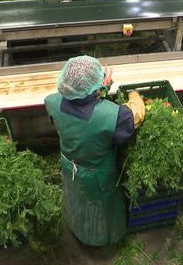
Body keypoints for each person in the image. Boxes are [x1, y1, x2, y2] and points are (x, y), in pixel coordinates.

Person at [44, 55, 145, 246]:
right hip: (97, 177)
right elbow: (135, 115)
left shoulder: (51, 102)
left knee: (76, 199)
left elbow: (79, 104)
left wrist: (101, 88)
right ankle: (102, 239)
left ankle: (75, 226)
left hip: (69, 166)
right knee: (100, 209)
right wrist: (134, 94)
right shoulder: (114, 115)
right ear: (94, 87)